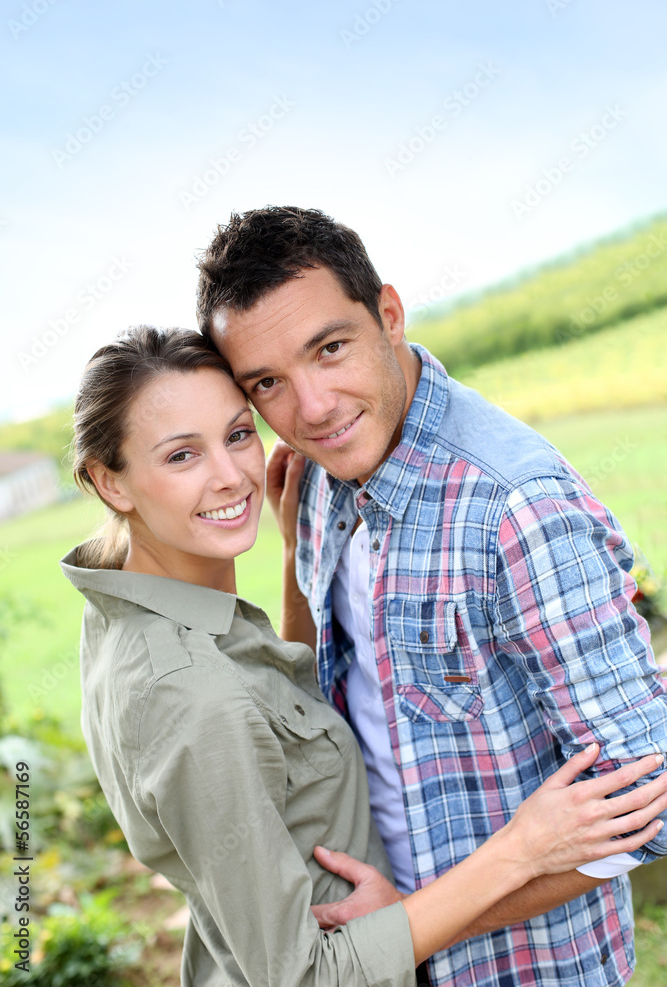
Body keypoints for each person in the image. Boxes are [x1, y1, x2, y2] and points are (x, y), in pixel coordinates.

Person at [60, 326, 667, 987]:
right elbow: (302, 975)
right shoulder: (189, 692)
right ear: (109, 481)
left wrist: (296, 559)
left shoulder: (132, 611)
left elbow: (280, 735)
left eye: (237, 434)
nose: (231, 474)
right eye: (182, 456)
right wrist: (518, 852)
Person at [196, 206, 667, 987]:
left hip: (521, 966)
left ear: (387, 314)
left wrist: (410, 923)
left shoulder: (516, 509)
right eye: (268, 383)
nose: (310, 407)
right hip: (371, 942)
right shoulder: (316, 470)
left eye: (330, 348)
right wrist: (292, 558)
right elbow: (324, 700)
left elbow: (647, 801)